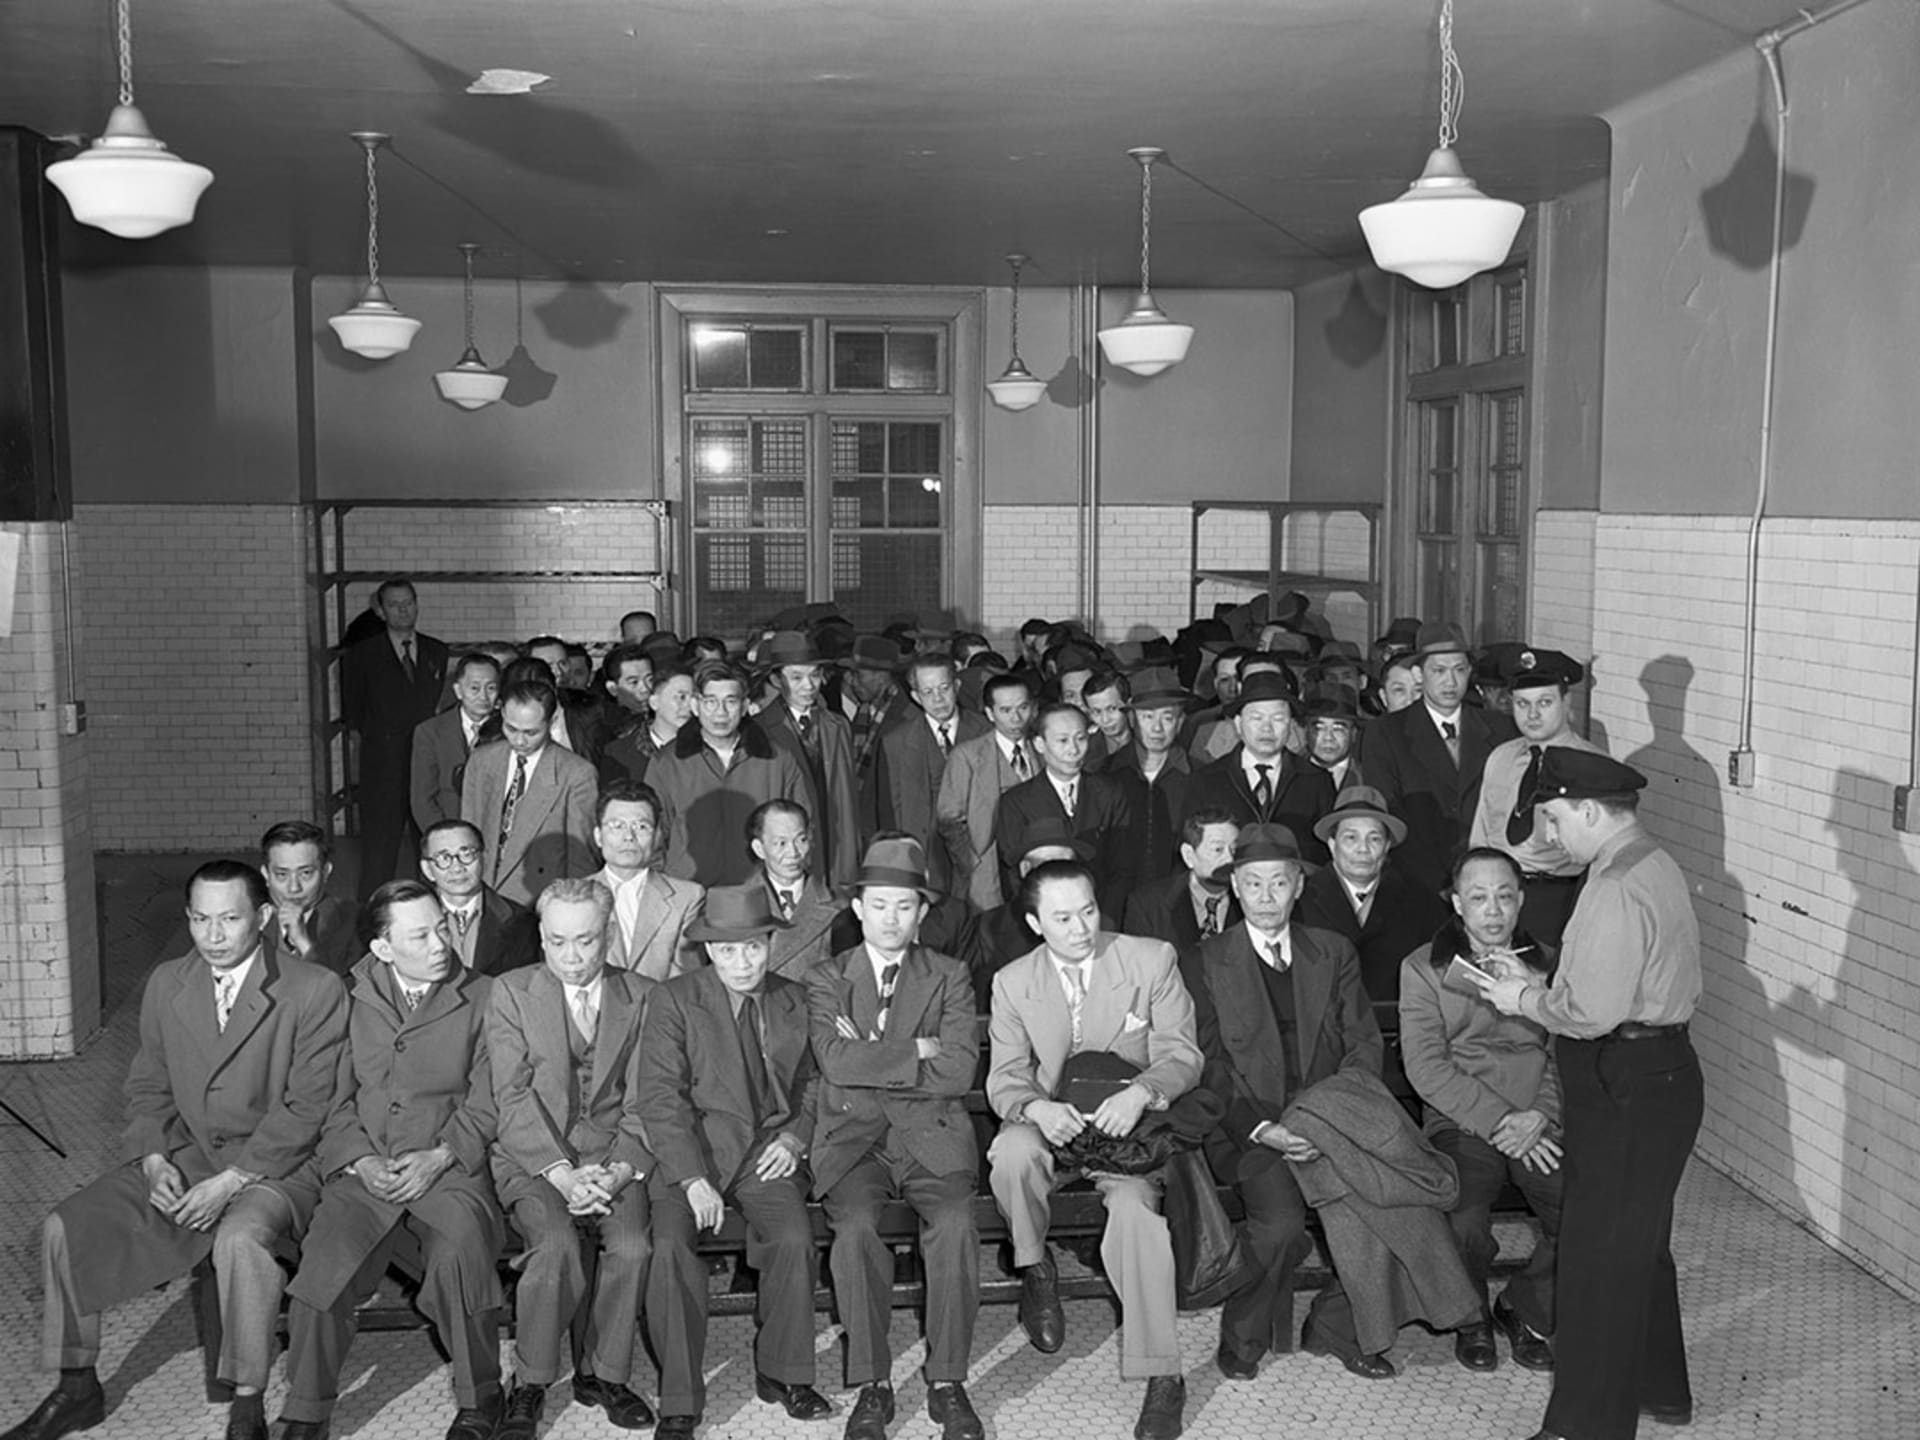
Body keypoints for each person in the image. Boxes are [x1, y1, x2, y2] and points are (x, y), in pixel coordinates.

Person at [2, 861, 346, 1440]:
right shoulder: (167, 982)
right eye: (199, 919)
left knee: (240, 1241)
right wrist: (155, 1157)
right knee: (66, 1226)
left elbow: (307, 1110)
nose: (212, 936)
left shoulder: (313, 989)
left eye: (229, 919)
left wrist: (233, 1180)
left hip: (279, 1167)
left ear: (261, 918)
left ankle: (247, 1402)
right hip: (187, 1155)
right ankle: (78, 1384)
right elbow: (148, 1085)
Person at [1470, 751, 1703, 1440]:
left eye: (1556, 819)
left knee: (1598, 1257)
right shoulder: (1651, 861)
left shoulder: (1609, 885)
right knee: (1640, 1244)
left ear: (1592, 812)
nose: (1549, 837)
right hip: (1661, 1074)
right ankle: (1663, 1390)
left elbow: (1589, 1011)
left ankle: (1585, 1426)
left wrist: (1523, 996)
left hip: (1621, 1078)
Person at [278, 881, 505, 1440]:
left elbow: (493, 1094)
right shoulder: (342, 998)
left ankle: (482, 1396)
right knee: (322, 1271)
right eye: (421, 935)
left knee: (460, 1257)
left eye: (443, 927)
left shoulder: (485, 995)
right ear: (382, 948)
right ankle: (307, 1408)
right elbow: (327, 1098)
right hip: (366, 1167)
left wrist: (443, 1153)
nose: (440, 943)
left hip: (448, 1166)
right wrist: (357, 1160)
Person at [986, 860, 1201, 1440]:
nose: (1081, 927)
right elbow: (1004, 1078)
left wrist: (1144, 1091)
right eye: (1062, 918)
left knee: (1135, 1213)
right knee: (1011, 1156)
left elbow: (1183, 1053)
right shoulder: (1012, 981)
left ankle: (1163, 1372)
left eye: (1088, 910)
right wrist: (1035, 1109)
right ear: (1035, 923)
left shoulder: (1150, 959)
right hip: (1051, 1122)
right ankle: (1035, 1270)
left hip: (1125, 1131)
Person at [1179, 826, 1386, 1382]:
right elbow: (1208, 1062)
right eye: (1253, 884)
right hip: (1249, 1126)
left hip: (1331, 1119)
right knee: (1280, 1226)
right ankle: (1243, 1336)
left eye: (1279, 882)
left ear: (1298, 886)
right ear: (1236, 891)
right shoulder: (1205, 961)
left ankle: (1336, 1324)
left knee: (1379, 1206)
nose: (1266, 896)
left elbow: (1363, 1042)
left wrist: (1334, 1120)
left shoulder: (1332, 952)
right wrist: (1263, 1128)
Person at [638, 886, 829, 1440]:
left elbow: (813, 1081)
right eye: (727, 951)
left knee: (794, 1239)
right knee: (671, 1249)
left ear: (770, 943)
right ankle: (680, 1398)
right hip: (691, 1152)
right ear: (708, 952)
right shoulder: (673, 999)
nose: (742, 962)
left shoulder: (795, 998)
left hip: (765, 1150)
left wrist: (794, 1138)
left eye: (753, 947)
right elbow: (659, 1098)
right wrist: (693, 1178)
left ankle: (783, 1371)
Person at [809, 837, 984, 1440]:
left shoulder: (950, 975)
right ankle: (873, 1382)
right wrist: (914, 1049)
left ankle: (947, 1380)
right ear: (857, 907)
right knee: (854, 1231)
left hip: (931, 1136)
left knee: (957, 1226)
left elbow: (959, 1070)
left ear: (922, 912)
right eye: (879, 905)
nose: (891, 919)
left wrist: (870, 1055)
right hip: (855, 1141)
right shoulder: (827, 978)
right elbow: (832, 1060)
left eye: (905, 907)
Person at [487, 877, 657, 1440]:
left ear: (608, 934)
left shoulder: (645, 996)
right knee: (556, 1245)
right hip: (535, 1159)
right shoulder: (510, 993)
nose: (572, 956)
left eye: (585, 940)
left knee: (632, 1247)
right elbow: (510, 1099)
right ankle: (532, 1379)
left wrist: (618, 1169)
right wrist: (561, 1175)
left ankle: (603, 1374)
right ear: (541, 936)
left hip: (614, 1157)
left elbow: (648, 1100)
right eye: (557, 941)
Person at [1399, 848, 1562, 1377]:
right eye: (1478, 897)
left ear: (1521, 901)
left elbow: (1568, 1054)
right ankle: (1471, 1316)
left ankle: (1526, 1309)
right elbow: (1426, 1067)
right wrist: (1499, 1120)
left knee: (1582, 1208)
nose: (1492, 910)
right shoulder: (1424, 968)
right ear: (1456, 904)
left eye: (1504, 896)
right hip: (1464, 1120)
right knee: (1463, 1216)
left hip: (1538, 1120)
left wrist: (1540, 1113)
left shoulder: (1552, 965)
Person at [1361, 620, 1517, 898]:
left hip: (1486, 885)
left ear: (1470, 672)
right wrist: (1440, 885)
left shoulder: (1500, 729)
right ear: (1419, 675)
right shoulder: (1385, 733)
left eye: (1459, 670)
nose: (1450, 681)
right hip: (1416, 886)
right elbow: (1389, 813)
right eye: (1439, 671)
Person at [1468, 649, 1606, 947]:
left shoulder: (1591, 766)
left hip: (1562, 900)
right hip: (1500, 902)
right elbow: (1480, 838)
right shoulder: (1501, 758)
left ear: (1566, 702)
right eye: (1522, 704)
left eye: (1544, 703)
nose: (1532, 715)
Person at [648, 661, 811, 886]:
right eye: (711, 702)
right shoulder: (667, 762)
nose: (721, 713)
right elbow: (653, 834)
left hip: (759, 894)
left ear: (745, 706)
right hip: (688, 893)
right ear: (695, 706)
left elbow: (803, 830)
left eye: (730, 702)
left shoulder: (777, 760)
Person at [342, 578, 451, 898]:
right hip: (383, 765)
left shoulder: (437, 651)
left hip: (427, 764)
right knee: (379, 853)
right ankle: (372, 923)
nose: (403, 611)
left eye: (409, 603)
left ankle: (437, 911)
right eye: (394, 605)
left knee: (433, 846)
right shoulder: (361, 656)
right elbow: (355, 713)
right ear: (380, 609)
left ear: (417, 604)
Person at [1297, 787, 1450, 1011]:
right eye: (1351, 838)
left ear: (1387, 846)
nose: (1363, 849)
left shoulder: (1421, 903)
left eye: (1374, 839)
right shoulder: (1300, 900)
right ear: (1332, 844)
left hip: (1397, 1031)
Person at [460, 678, 600, 909]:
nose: (519, 740)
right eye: (511, 728)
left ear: (552, 721)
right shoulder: (481, 760)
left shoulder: (577, 774)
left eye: (531, 732)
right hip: (483, 896)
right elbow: (468, 832)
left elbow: (580, 858)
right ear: (501, 714)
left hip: (540, 902)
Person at [993, 702, 1136, 920]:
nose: (1074, 750)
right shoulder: (1015, 802)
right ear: (1040, 744)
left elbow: (1122, 865)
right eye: (1062, 741)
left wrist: (1104, 917)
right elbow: (1013, 876)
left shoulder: (1110, 792)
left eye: (1081, 738)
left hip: (1103, 915)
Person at [1182, 669, 1337, 864]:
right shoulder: (1206, 780)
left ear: (1290, 724)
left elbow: (1327, 852)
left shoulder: (1316, 780)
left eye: (1278, 719)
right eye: (1256, 718)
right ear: (1238, 724)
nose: (1267, 728)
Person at [878, 652, 987, 896]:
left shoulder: (985, 732)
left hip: (977, 858)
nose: (938, 699)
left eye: (944, 688)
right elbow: (891, 810)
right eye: (928, 692)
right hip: (925, 860)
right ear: (916, 697)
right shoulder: (895, 742)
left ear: (956, 686)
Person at [757, 631, 862, 885]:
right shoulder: (759, 730)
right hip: (790, 848)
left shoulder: (837, 725)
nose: (809, 685)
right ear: (775, 679)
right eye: (796, 677)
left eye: (815, 675)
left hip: (835, 844)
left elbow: (847, 796)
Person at [585, 779, 705, 981]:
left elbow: (686, 977)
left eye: (641, 826)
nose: (629, 836)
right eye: (617, 826)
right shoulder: (572, 896)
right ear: (598, 836)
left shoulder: (687, 898)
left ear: (657, 836)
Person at [936, 671, 1036, 911]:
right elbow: (948, 818)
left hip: (1035, 864)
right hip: (987, 870)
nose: (1016, 718)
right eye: (1006, 710)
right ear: (990, 713)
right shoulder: (967, 756)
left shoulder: (1042, 748)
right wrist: (972, 861)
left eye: (1022, 708)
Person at [1104, 666, 1197, 885]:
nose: (1157, 728)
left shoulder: (1200, 777)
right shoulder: (1104, 774)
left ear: (1180, 722)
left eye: (1167, 718)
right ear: (1132, 719)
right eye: (1147, 716)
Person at [419, 819, 539, 975]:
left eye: (466, 854)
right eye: (444, 858)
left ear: (485, 859)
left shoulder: (522, 922)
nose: (457, 867)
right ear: (427, 869)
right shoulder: (411, 919)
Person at [1120, 808, 1241, 954]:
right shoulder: (1148, 906)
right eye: (1218, 849)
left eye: (1235, 849)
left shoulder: (1251, 900)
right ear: (1188, 855)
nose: (1229, 859)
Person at [412, 651, 504, 834]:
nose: (483, 697)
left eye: (491, 688)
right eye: (474, 688)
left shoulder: (510, 730)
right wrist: (444, 838)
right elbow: (422, 798)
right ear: (458, 691)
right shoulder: (430, 731)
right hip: (448, 829)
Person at [260, 820, 360, 976]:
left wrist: (303, 943)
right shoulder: (249, 923)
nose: (294, 888)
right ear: (266, 875)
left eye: (305, 873)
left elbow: (341, 993)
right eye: (282, 875)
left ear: (326, 872)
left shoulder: (355, 923)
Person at [600, 663, 697, 785]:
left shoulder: (709, 749)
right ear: (654, 702)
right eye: (681, 697)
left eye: (694, 698)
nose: (689, 706)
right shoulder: (617, 754)